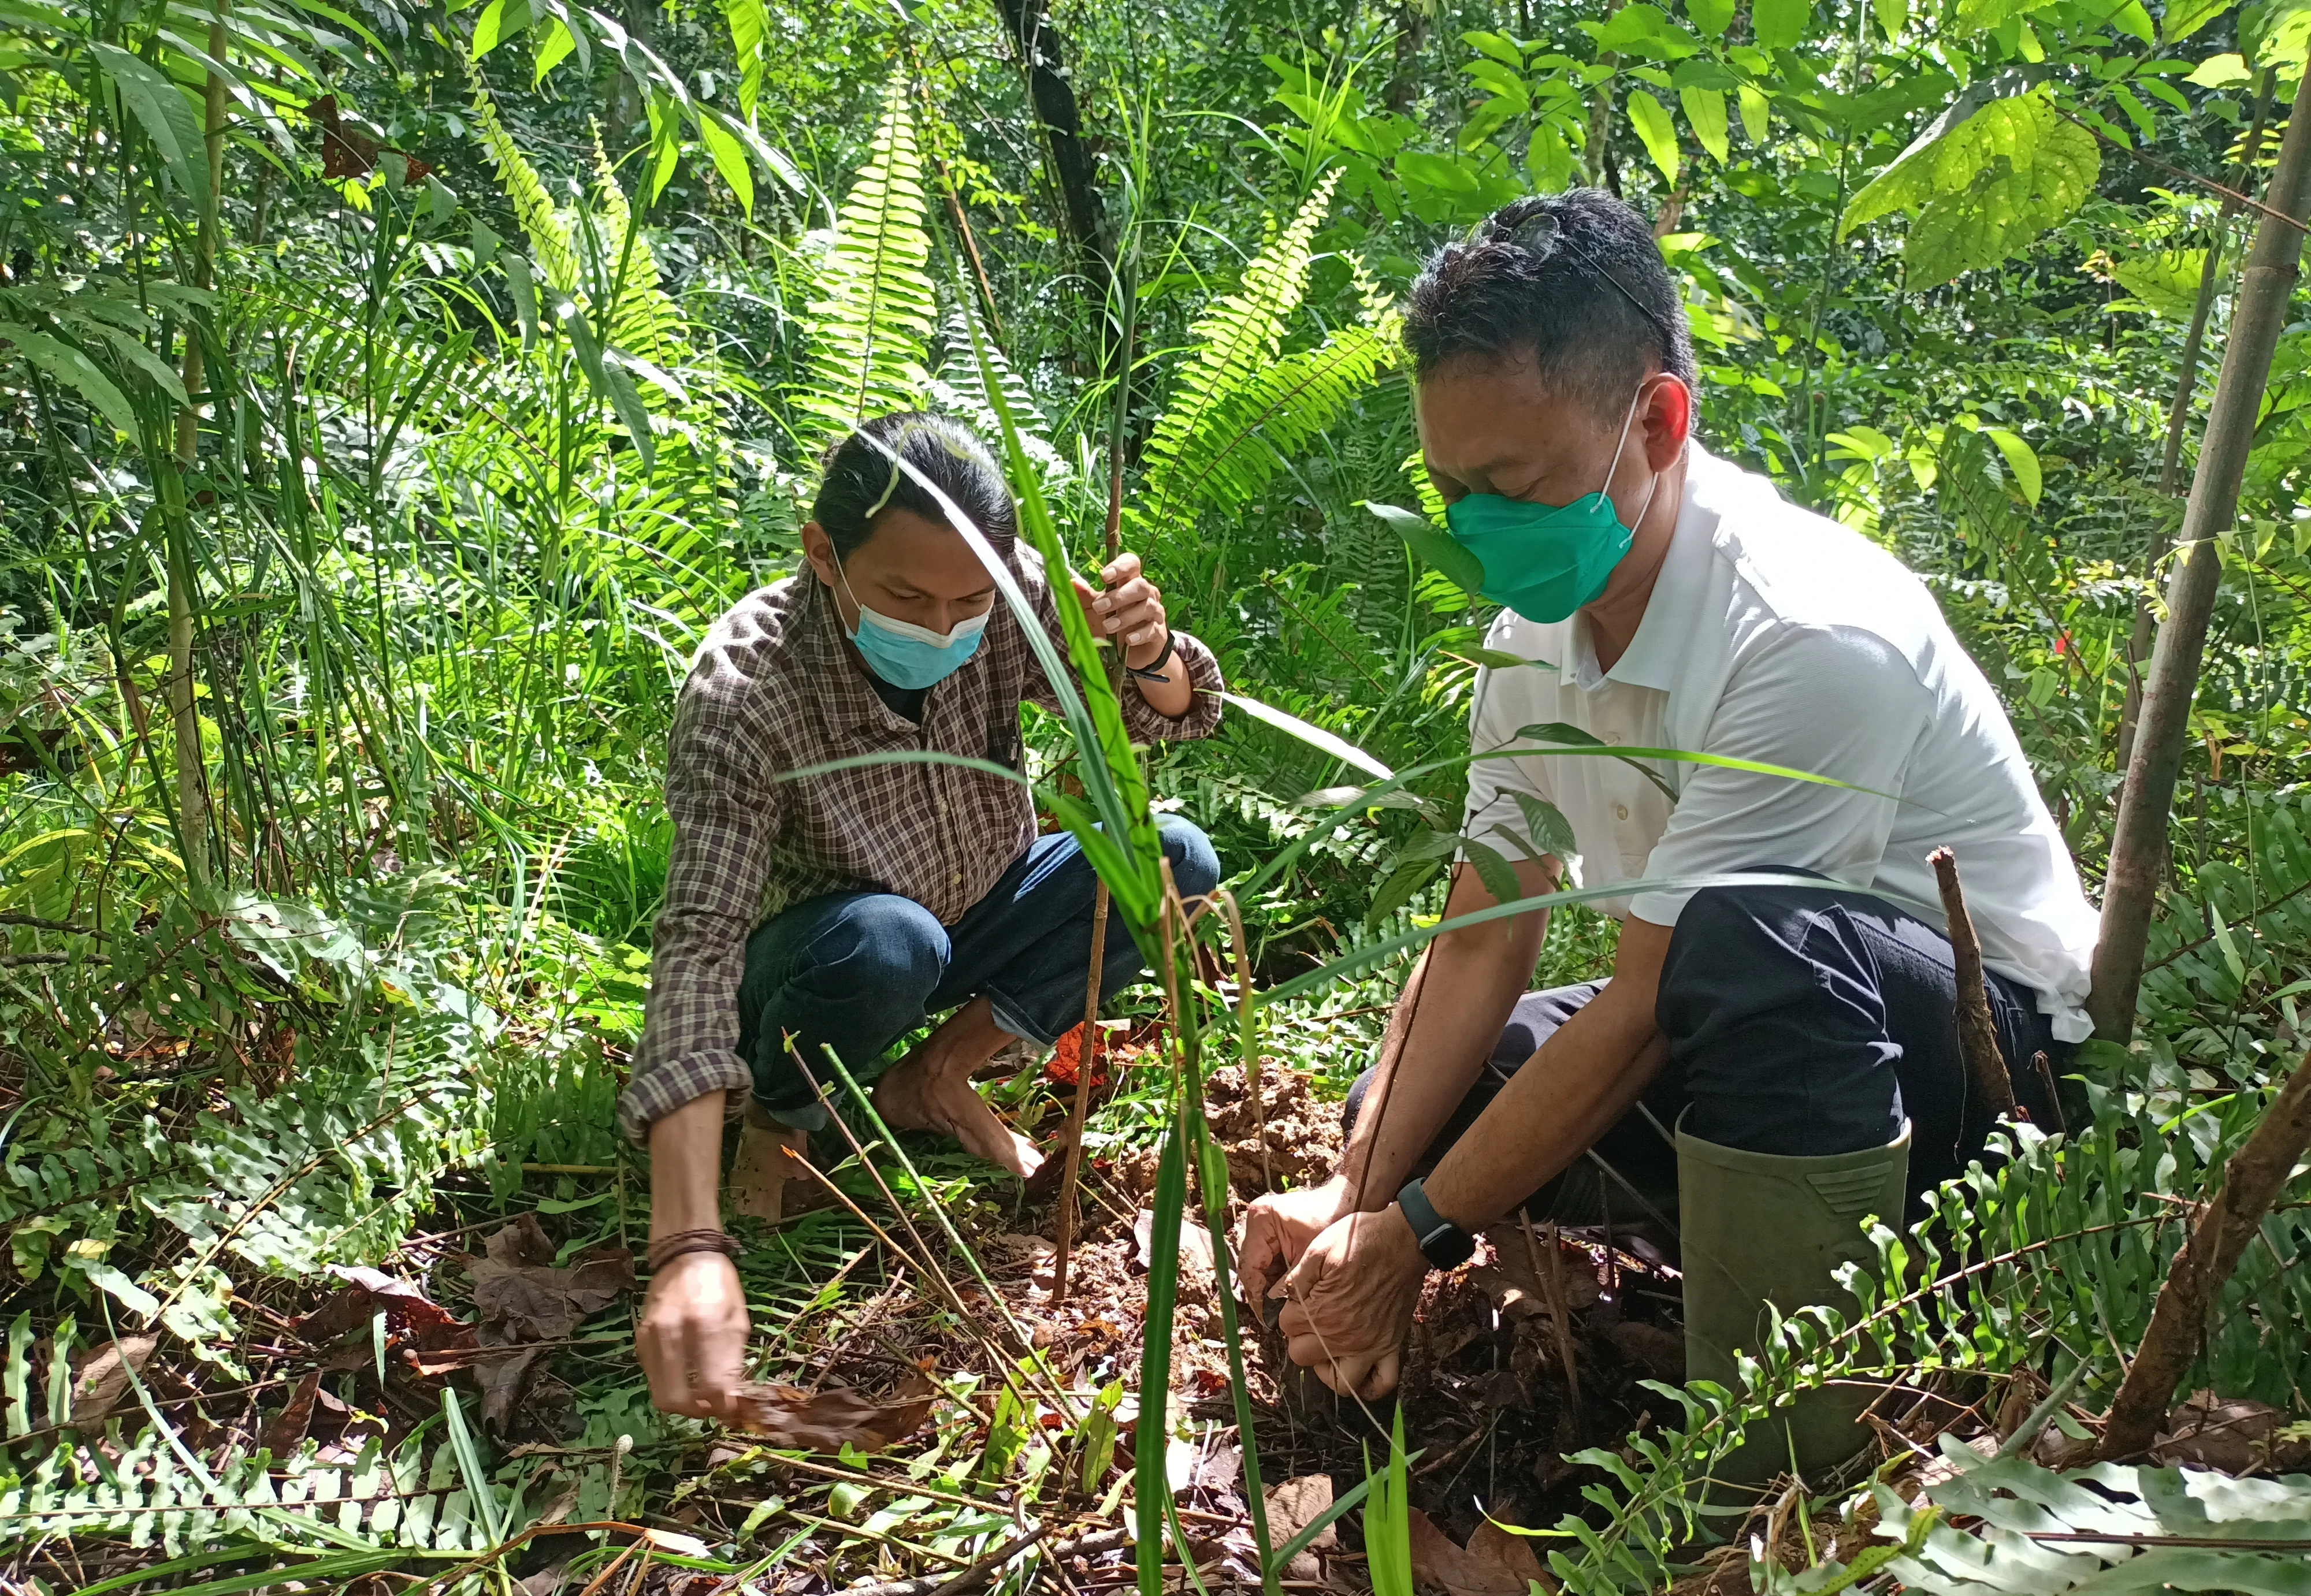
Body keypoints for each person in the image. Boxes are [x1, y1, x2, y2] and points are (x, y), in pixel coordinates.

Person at [1238, 192, 2098, 1452]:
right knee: (1432, 1099)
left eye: (1514, 485)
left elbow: (1655, 994)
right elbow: (1484, 930)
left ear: (1656, 421)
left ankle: (1780, 1457)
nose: (1478, 527)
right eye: (1451, 490)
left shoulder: (1805, 632)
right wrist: (1356, 1192)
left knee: (1748, 940)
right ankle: (1739, 1271)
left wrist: (1415, 1236)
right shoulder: (1531, 644)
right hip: (1746, 1022)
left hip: (1986, 1080)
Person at [623, 411, 1225, 1422]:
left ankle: (934, 1077)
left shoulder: (1011, 590)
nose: (943, 627)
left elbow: (1158, 713)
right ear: (824, 555)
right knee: (888, 945)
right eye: (906, 597)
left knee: (1174, 862)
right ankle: (784, 1114)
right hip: (833, 953)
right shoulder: (748, 690)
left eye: (969, 602)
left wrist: (1148, 648)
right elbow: (701, 942)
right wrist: (686, 1241)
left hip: (983, 898)